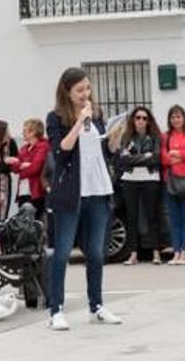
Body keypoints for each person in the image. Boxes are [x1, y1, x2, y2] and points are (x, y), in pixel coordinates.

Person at [45, 67, 122, 330]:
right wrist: (79, 121)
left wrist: (114, 140)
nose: (85, 94)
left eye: (87, 88)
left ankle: (96, 306)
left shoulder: (97, 115)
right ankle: (55, 309)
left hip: (98, 189)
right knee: (63, 252)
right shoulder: (56, 118)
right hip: (71, 193)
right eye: (79, 90)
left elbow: (105, 153)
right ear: (67, 92)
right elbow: (61, 150)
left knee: (97, 253)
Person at [118, 107, 163, 266]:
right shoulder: (126, 136)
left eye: (144, 118)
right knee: (132, 217)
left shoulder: (155, 137)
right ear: (133, 120)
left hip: (150, 178)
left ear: (148, 121)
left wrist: (135, 158)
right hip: (130, 179)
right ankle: (133, 254)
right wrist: (145, 156)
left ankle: (156, 253)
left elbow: (156, 158)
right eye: (138, 117)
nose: (141, 121)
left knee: (152, 216)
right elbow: (123, 159)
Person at [161, 104, 185, 266]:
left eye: (178, 116)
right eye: (173, 117)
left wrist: (177, 154)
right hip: (170, 180)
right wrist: (181, 155)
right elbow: (163, 158)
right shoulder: (165, 136)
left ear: (184, 118)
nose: (176, 119)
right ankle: (176, 251)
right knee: (174, 218)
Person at [11, 118, 51, 218]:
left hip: (35, 192)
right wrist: (24, 166)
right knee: (23, 222)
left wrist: (22, 168)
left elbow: (35, 168)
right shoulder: (24, 148)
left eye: (25, 130)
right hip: (22, 191)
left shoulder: (43, 146)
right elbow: (14, 168)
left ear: (33, 132)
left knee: (34, 221)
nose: (22, 132)